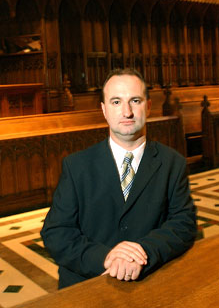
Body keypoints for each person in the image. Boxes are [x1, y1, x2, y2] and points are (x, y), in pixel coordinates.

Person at [41, 68, 197, 289]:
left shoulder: (173, 162)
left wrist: (144, 251)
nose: (127, 112)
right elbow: (56, 232)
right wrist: (106, 257)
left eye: (135, 100)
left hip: (151, 282)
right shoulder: (77, 166)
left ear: (149, 106)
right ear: (104, 110)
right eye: (116, 102)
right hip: (87, 284)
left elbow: (184, 224)